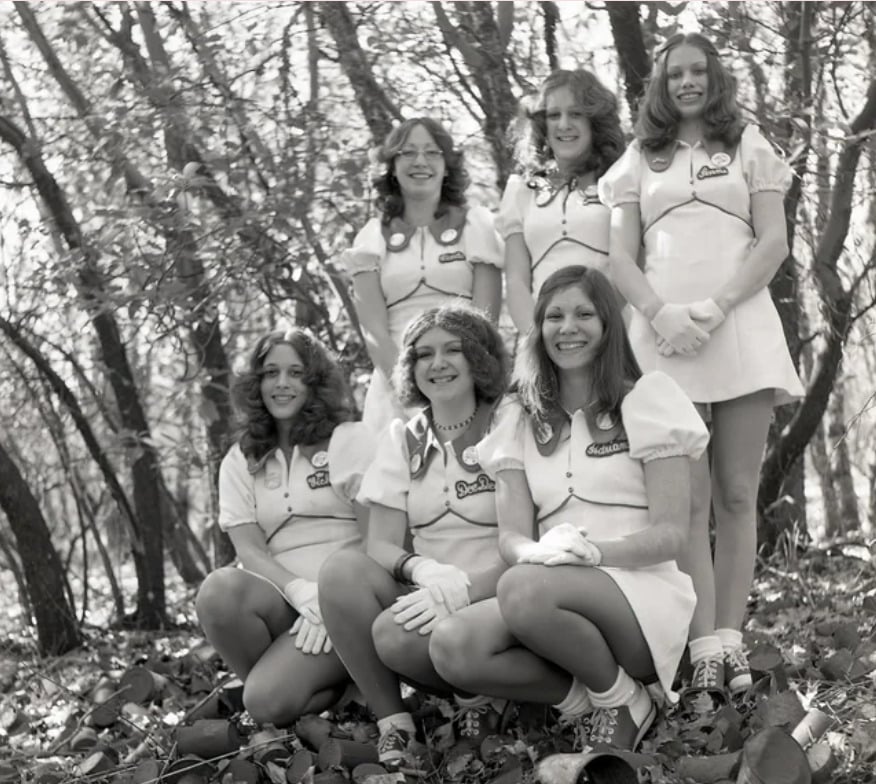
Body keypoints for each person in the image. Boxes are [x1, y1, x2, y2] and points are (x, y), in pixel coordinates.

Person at [598, 32, 804, 704]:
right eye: (674, 74)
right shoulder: (637, 161)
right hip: (662, 340)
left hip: (737, 328)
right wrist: (659, 315)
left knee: (738, 493)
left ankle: (731, 636)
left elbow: (772, 240)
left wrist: (715, 308)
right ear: (658, 86)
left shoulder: (749, 146)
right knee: (685, 503)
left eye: (697, 72)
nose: (686, 82)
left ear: (715, 79)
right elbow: (618, 258)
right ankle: (702, 650)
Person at [429, 265, 709, 752]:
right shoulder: (518, 415)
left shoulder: (648, 399)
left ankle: (626, 700)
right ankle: (590, 701)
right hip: (548, 582)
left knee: (522, 588)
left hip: (640, 593)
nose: (567, 327)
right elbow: (511, 536)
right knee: (451, 646)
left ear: (607, 325)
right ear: (538, 329)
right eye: (554, 315)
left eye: (584, 313)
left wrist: (590, 552)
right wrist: (541, 554)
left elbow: (672, 535)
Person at [318, 304, 511, 766]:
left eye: (452, 351)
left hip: (499, 592)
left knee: (415, 634)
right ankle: (396, 724)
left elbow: (529, 536)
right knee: (342, 572)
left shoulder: (511, 422)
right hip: (429, 594)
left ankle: (483, 697)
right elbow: (380, 544)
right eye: (424, 354)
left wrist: (465, 590)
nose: (437, 364)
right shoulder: (402, 437)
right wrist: (420, 568)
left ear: (481, 358)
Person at [195, 328, 370, 727]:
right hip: (286, 603)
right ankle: (330, 690)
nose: (282, 384)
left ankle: (310, 684)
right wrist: (301, 592)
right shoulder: (241, 458)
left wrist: (330, 601)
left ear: (315, 382)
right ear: (256, 384)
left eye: (295, 373)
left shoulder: (350, 439)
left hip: (351, 600)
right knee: (218, 592)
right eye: (271, 373)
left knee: (264, 703)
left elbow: (378, 539)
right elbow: (250, 551)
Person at [341, 117, 503, 432]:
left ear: (447, 165)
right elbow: (374, 333)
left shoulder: (477, 226)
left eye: (432, 152)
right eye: (407, 153)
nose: (420, 161)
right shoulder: (371, 238)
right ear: (391, 165)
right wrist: (412, 393)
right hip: (394, 394)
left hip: (468, 384)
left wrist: (455, 392)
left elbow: (487, 326)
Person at [498, 69, 625, 334]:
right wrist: (537, 340)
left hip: (612, 330)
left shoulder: (621, 178)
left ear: (595, 121)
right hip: (544, 337)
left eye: (576, 114)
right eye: (554, 115)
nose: (563, 124)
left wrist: (600, 330)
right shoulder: (521, 190)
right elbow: (516, 281)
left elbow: (631, 265)